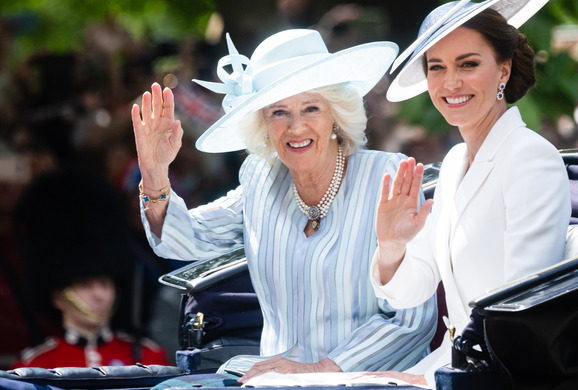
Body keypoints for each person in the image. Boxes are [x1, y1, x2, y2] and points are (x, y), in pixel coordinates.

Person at [131, 29, 437, 384]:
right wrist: (154, 173)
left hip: (371, 380)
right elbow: (188, 240)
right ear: (262, 124)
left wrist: (321, 371)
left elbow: (411, 319)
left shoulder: (386, 176)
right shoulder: (262, 178)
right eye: (279, 112)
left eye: (311, 108)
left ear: (336, 114)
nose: (296, 127)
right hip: (274, 380)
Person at [370, 0, 572, 386]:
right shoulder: (456, 161)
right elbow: (412, 290)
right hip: (453, 368)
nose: (451, 83)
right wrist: (391, 247)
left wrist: (431, 380)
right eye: (437, 68)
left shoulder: (530, 158)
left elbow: (522, 308)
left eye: (468, 64)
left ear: (503, 69)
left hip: (502, 375)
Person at [11, 168, 169, 369]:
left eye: (105, 284)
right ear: (58, 297)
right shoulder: (36, 365)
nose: (99, 295)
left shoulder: (149, 358)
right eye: (85, 285)